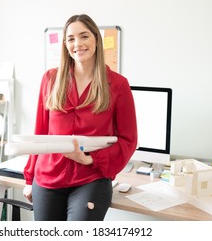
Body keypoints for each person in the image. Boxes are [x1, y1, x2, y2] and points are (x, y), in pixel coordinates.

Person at [23, 14, 137, 221]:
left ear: (96, 39)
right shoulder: (50, 78)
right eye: (71, 39)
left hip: (91, 177)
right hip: (49, 176)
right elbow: (40, 133)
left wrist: (91, 158)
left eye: (84, 36)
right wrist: (29, 178)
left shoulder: (118, 84)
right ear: (66, 45)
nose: (78, 44)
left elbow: (129, 140)